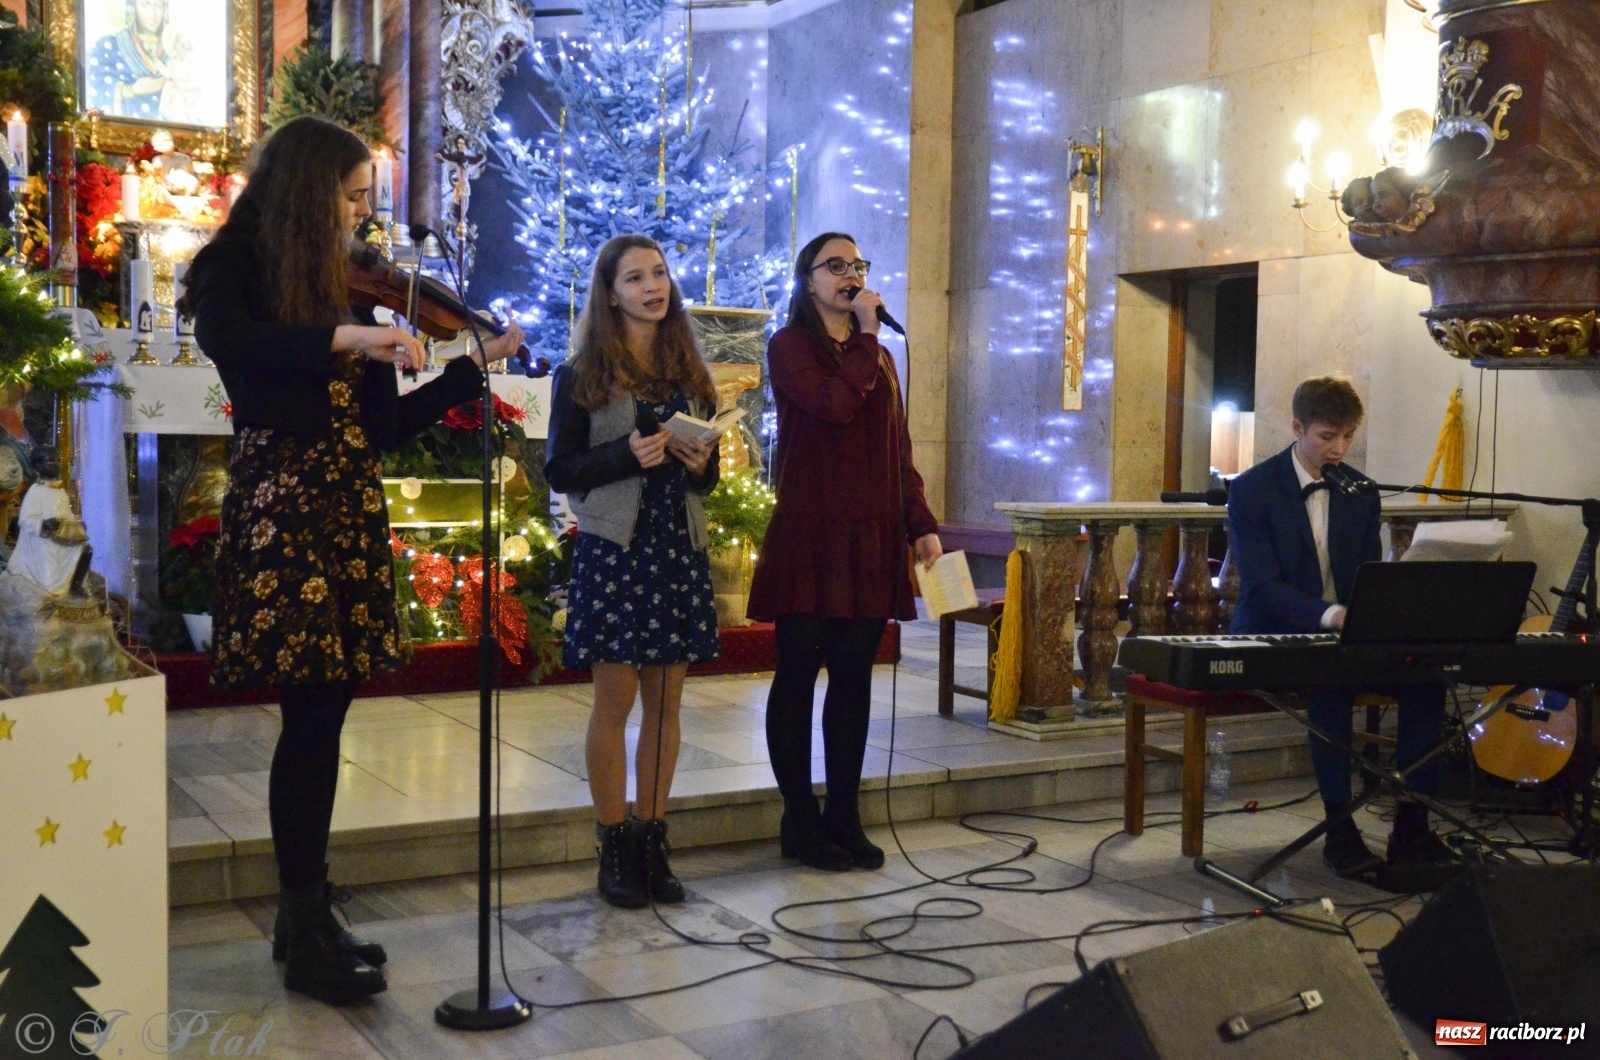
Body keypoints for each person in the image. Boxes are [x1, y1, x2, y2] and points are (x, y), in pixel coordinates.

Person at [183, 115, 524, 1004]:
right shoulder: (236, 268)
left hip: (345, 510)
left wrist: (468, 367)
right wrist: (354, 338)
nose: (364, 217)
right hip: (283, 513)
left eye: (367, 199)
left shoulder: (357, 288)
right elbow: (237, 345)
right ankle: (303, 924)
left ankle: (308, 913)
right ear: (307, 190)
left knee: (327, 717)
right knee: (304, 720)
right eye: (352, 196)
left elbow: (380, 430)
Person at [747, 232, 942, 872]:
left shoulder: (878, 358)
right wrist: (865, 334)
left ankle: (845, 816)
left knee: (855, 676)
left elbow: (898, 447)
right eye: (836, 266)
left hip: (870, 537)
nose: (850, 275)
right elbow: (832, 406)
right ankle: (799, 819)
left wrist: (920, 521)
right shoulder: (791, 346)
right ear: (807, 280)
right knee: (799, 673)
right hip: (811, 534)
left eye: (858, 264)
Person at [544, 234, 721, 909]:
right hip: (616, 551)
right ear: (610, 293)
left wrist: (704, 466)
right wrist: (628, 454)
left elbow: (706, 477)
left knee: (667, 706)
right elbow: (560, 469)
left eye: (660, 274)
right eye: (636, 278)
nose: (655, 287)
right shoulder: (582, 373)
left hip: (676, 548)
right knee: (614, 705)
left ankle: (652, 838)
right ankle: (613, 844)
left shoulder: (688, 375)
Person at [1227, 376, 1458, 881]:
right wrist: (1330, 615)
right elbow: (1262, 588)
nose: (1338, 448)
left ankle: (1412, 827)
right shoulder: (1251, 491)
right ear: (1297, 427)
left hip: (1345, 632)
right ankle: (1340, 827)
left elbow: (1365, 578)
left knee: (1427, 683)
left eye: (1348, 436)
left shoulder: (1360, 490)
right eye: (1327, 436)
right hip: (1279, 632)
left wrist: (1381, 614)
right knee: (1330, 685)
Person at [85, 0, 195, 122]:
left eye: (158, 6)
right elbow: (94, 90)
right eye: (145, 4)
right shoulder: (110, 46)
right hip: (125, 134)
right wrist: (131, 90)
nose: (153, 14)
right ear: (132, 6)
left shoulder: (176, 50)